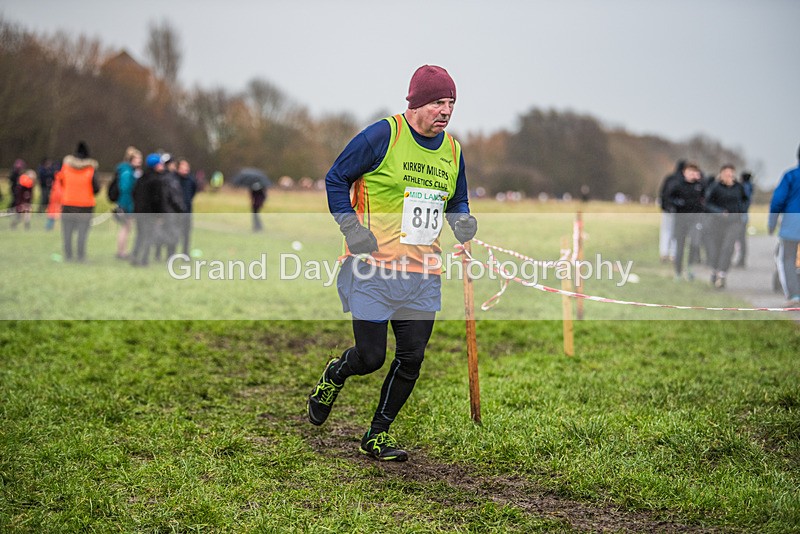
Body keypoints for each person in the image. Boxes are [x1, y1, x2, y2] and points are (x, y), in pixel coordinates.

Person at [307, 65, 476, 462]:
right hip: (373, 268)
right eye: (438, 102)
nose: (446, 111)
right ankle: (335, 374)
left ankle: (377, 434)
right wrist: (351, 229)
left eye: (451, 103)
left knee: (412, 358)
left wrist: (463, 221)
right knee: (371, 357)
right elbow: (335, 178)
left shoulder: (453, 151)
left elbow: (457, 200)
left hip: (422, 274)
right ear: (416, 103)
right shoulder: (384, 135)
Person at [704, 164, 748, 288]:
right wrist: (719, 212)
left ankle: (722, 274)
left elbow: (745, 201)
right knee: (716, 248)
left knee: (728, 247)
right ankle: (715, 270)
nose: (729, 176)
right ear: (721, 174)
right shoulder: (715, 187)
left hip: (734, 222)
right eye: (726, 174)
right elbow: (707, 204)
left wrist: (740, 211)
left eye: (731, 174)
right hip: (717, 222)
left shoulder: (739, 187)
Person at [55, 142, 99, 262]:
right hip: (85, 205)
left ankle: (68, 256)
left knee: (67, 232)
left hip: (68, 204)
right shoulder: (90, 169)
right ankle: (80, 256)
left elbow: (61, 182)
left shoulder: (66, 167)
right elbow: (96, 188)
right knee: (82, 233)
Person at [768, 144, 800, 305]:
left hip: (792, 226)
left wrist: (772, 223)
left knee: (787, 259)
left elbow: (777, 201)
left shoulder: (791, 176)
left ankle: (794, 295)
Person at [668, 162, 705, 280]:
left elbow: (707, 199)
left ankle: (690, 267)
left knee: (694, 244)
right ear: (684, 173)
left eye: (694, 172)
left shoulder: (700, 185)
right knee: (680, 246)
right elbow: (669, 198)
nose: (692, 174)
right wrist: (677, 203)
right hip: (681, 218)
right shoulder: (677, 184)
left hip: (695, 219)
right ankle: (678, 272)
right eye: (690, 172)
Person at [131, 153, 165, 267]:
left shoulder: (141, 178)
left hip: (139, 211)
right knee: (148, 236)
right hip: (150, 213)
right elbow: (157, 199)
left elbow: (134, 193)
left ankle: (135, 255)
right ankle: (144, 259)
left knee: (140, 235)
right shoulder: (156, 180)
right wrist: (159, 214)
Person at [115, 146, 143, 260]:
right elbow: (125, 188)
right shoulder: (127, 171)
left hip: (128, 203)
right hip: (125, 204)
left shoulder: (132, 171)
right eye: (137, 159)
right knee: (125, 228)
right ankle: (121, 252)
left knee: (127, 228)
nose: (140, 161)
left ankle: (122, 251)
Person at [658, 160, 685, 263]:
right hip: (678, 210)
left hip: (667, 209)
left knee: (665, 231)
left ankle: (664, 252)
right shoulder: (682, 180)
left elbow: (662, 193)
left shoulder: (669, 178)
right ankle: (673, 254)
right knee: (675, 233)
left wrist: (664, 206)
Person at [177, 158, 198, 256]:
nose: (185, 168)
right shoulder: (174, 179)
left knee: (186, 234)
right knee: (174, 234)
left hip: (187, 211)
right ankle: (171, 254)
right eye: (183, 166)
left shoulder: (191, 180)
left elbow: (193, 191)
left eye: (186, 166)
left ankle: (185, 254)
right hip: (176, 212)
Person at [734, 171, 754, 267]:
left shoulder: (744, 187)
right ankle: (741, 259)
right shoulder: (750, 187)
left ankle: (741, 260)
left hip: (741, 215)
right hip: (744, 215)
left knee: (740, 238)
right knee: (742, 239)